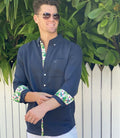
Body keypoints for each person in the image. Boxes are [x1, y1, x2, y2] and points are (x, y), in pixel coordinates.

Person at [12, 0, 82, 137]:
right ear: (36, 18)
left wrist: (42, 108)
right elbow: (17, 87)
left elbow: (70, 88)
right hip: (34, 131)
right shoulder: (25, 51)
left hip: (64, 131)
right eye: (46, 15)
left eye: (55, 16)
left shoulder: (72, 50)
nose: (52, 19)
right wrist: (34, 96)